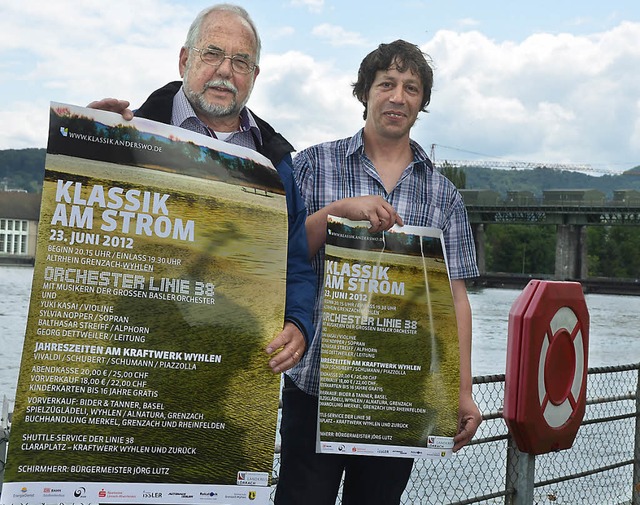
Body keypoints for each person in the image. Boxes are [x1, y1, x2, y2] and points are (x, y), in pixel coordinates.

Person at [275, 40, 483, 505]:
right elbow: (281, 254)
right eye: (386, 84)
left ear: (421, 103)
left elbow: (455, 299)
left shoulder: (443, 194)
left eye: (411, 88)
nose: (398, 97)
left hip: (400, 390)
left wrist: (462, 390)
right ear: (365, 92)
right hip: (316, 385)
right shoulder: (311, 165)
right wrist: (338, 212)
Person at [88, 3, 314, 373]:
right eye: (212, 53)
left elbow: (296, 263)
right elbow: (84, 228)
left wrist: (299, 323)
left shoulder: (275, 163)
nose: (225, 70)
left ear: (254, 75)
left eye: (241, 61)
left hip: (227, 365)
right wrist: (86, 139)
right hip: (135, 353)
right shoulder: (128, 136)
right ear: (184, 60)